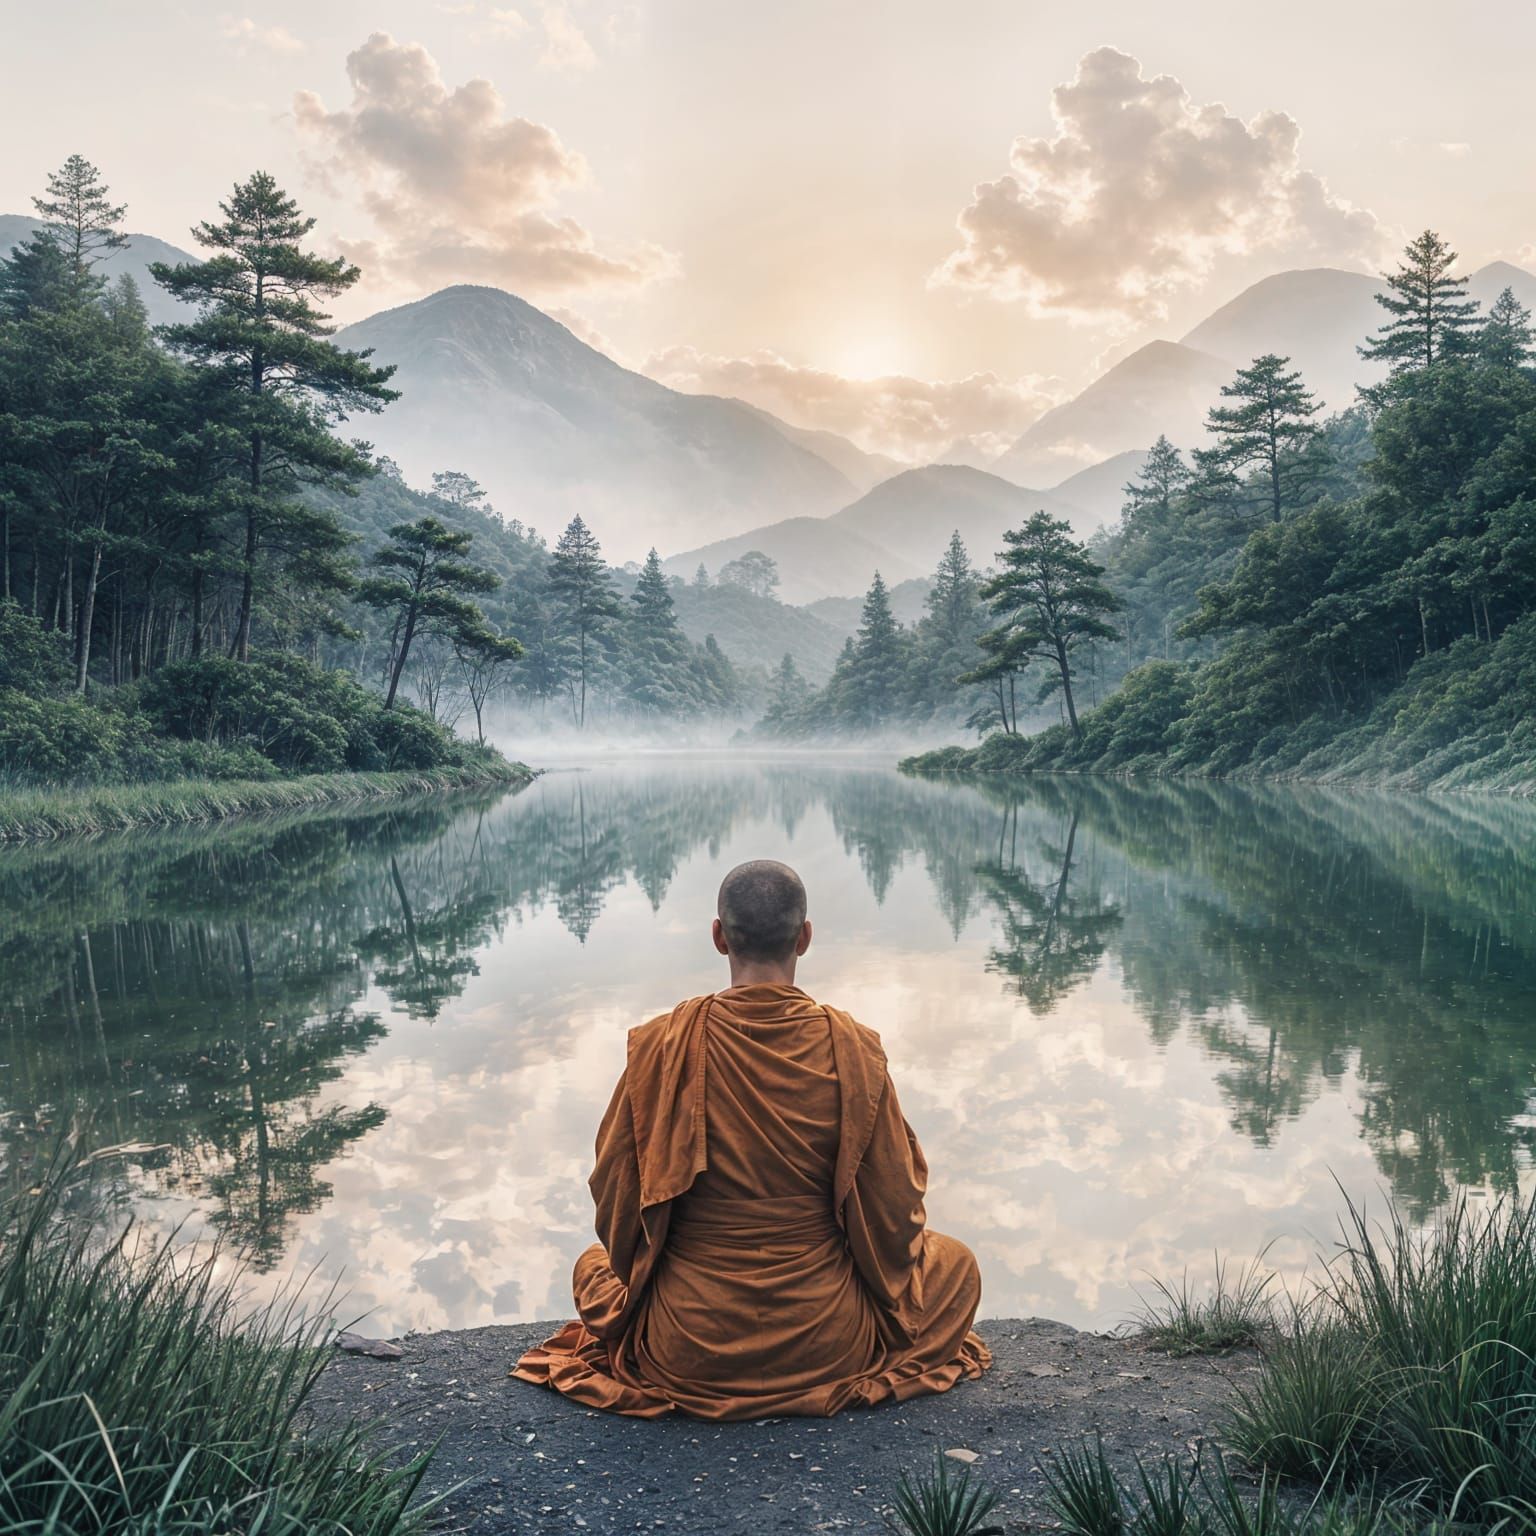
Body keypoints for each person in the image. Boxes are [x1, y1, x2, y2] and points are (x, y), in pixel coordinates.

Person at [511, 859, 991, 1419]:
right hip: (828, 1339)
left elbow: (616, 1199)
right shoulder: (853, 1049)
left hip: (685, 1342)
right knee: (955, 1263)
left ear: (718, 936)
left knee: (591, 1265)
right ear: (805, 937)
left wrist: (658, 1273)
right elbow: (895, 1210)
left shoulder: (665, 1045)